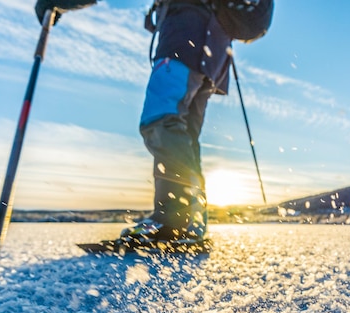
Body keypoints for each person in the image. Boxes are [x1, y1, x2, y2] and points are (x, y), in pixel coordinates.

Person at [35, 0, 233, 245]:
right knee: (185, 135)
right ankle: (190, 222)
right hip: (213, 51)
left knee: (161, 120)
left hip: (184, 39)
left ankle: (174, 220)